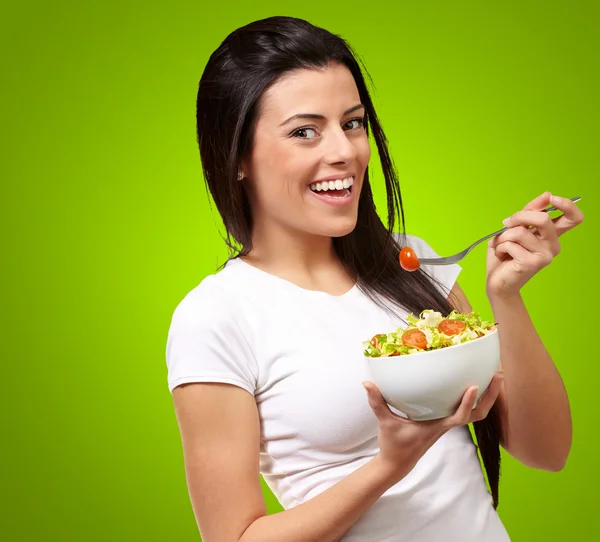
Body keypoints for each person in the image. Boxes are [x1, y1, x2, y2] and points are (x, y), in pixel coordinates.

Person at [165, 16, 583, 542]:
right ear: (238, 156)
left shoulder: (411, 262)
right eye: (304, 131)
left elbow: (547, 450)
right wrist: (390, 464)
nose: (343, 151)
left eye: (353, 122)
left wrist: (506, 297)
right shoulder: (217, 316)